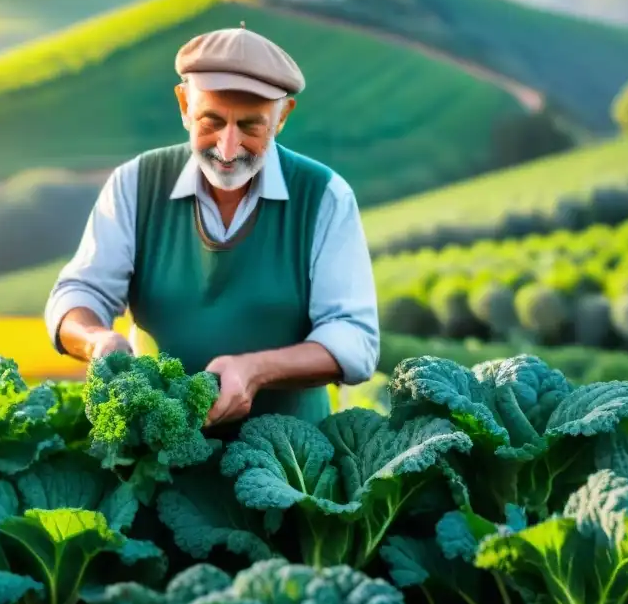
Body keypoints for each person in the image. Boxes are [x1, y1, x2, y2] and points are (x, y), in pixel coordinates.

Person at [44, 23, 379, 432]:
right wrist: (97, 340)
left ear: (282, 116)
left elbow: (355, 340)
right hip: (158, 456)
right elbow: (79, 292)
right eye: (211, 121)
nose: (227, 147)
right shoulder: (135, 183)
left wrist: (257, 370)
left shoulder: (325, 196)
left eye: (251, 126)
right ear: (184, 104)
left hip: (290, 463)